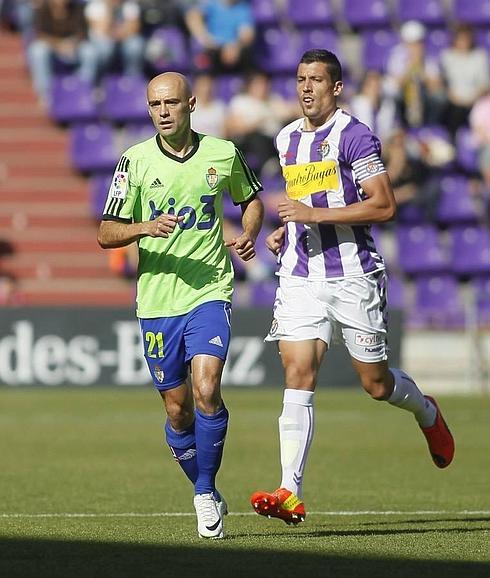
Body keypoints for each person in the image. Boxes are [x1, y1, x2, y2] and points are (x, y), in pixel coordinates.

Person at [250, 49, 455, 526]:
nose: (306, 88)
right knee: (297, 372)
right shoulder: (286, 139)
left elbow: (383, 206)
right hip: (300, 273)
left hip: (353, 274)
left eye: (316, 80)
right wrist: (288, 230)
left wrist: (314, 216)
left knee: (375, 384)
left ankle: (426, 411)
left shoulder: (355, 136)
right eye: (301, 79)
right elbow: (305, 201)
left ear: (336, 87)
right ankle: (289, 490)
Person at [97, 71, 264, 539]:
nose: (163, 112)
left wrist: (248, 233)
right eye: (155, 105)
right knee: (177, 409)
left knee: (207, 387)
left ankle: (204, 491)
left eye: (171, 103)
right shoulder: (134, 162)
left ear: (191, 104)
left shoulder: (222, 154)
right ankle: (205, 489)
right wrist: (143, 228)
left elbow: (251, 199)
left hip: (210, 289)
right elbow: (106, 231)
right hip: (156, 302)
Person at [27, 0, 97, 105]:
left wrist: (73, 44)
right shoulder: (42, 9)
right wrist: (59, 45)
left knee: (90, 51)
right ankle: (46, 93)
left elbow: (82, 33)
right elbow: (40, 35)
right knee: (37, 50)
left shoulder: (77, 9)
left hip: (73, 46)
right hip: (52, 47)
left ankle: (83, 88)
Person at [440, 24, 490, 139]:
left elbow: (485, 83)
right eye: (461, 38)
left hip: (475, 101)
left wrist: (474, 98)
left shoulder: (479, 56)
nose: (464, 42)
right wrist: (452, 96)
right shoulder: (447, 56)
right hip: (453, 101)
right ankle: (451, 143)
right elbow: (443, 82)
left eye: (466, 38)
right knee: (453, 113)